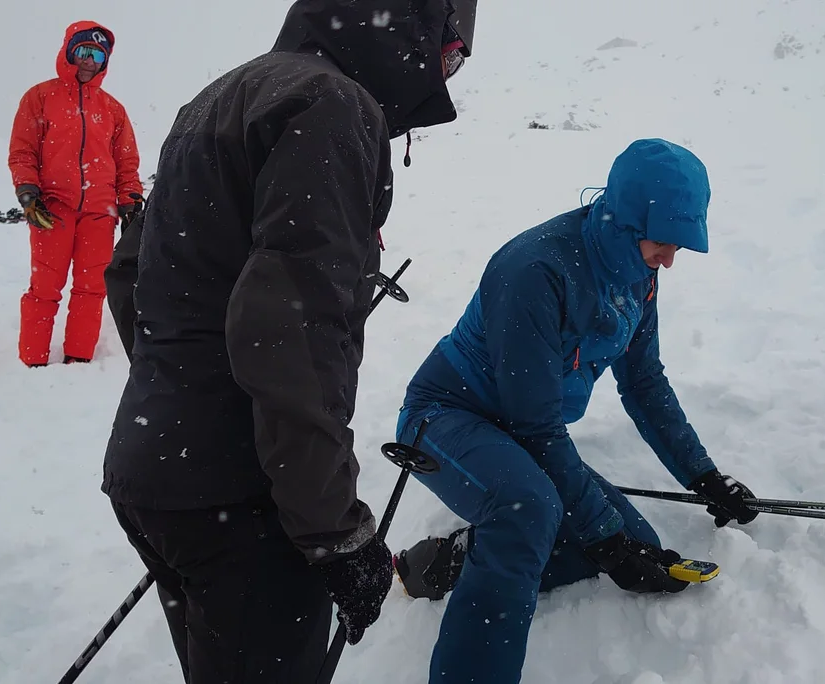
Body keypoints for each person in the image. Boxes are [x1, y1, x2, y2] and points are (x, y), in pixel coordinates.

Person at [100, 0, 476, 682]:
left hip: (156, 476)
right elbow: (289, 330)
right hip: (243, 498)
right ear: (409, 27)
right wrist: (335, 531)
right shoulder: (333, 106)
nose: (444, 75)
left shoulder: (218, 98)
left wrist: (180, 394)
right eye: (449, 54)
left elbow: (133, 271)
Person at [390, 138, 760, 684]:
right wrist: (604, 535)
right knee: (531, 511)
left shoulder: (638, 275)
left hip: (520, 434)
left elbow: (644, 382)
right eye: (663, 242)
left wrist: (703, 476)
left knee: (634, 545)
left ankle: (457, 560)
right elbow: (537, 425)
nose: (669, 260)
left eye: (678, 246)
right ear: (629, 222)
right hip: (446, 417)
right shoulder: (535, 270)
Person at [7, 20, 143, 368]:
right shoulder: (39, 97)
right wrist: (28, 193)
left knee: (92, 288)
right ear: (68, 52)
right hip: (52, 209)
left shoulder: (113, 109)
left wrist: (130, 201)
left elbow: (126, 162)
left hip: (100, 213)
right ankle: (33, 361)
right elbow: (23, 152)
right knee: (44, 289)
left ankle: (79, 360)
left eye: (98, 55)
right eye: (83, 51)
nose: (89, 61)